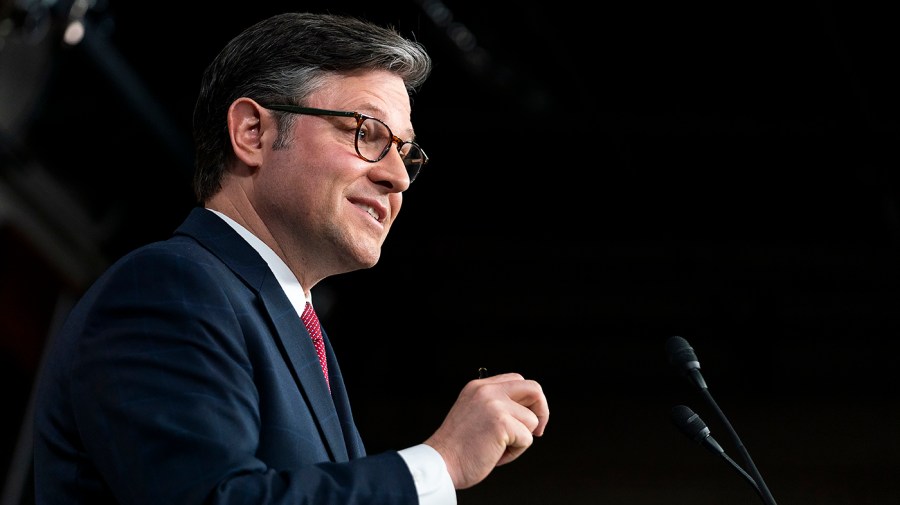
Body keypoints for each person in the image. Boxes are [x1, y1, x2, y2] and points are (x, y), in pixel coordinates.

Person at [31, 11, 549, 505]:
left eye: (406, 153)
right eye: (365, 133)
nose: (396, 177)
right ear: (252, 133)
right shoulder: (168, 289)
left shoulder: (298, 325)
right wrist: (442, 463)